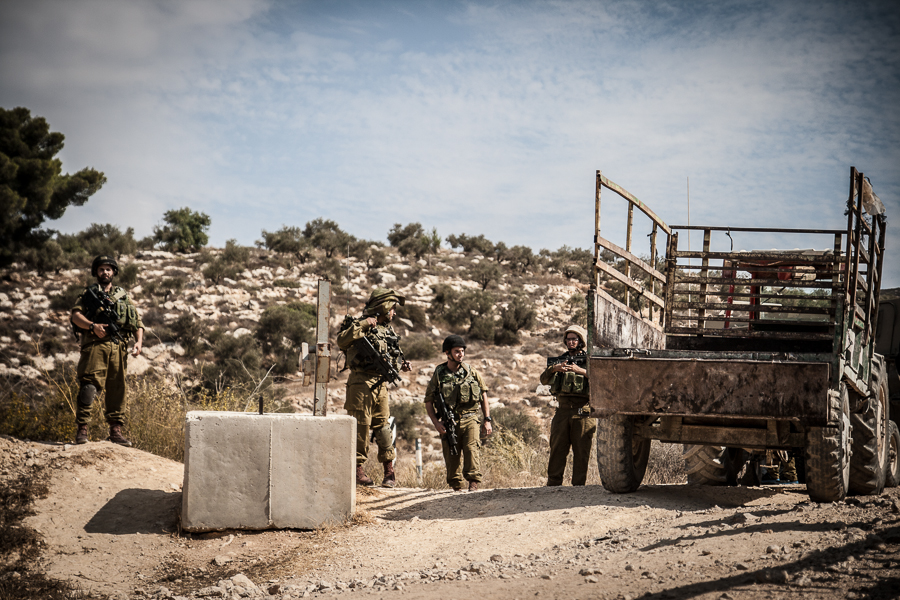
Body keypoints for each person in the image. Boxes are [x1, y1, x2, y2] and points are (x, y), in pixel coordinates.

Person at [337, 288, 411, 488]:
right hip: (361, 383)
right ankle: (358, 471)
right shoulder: (359, 324)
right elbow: (341, 340)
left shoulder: (387, 330)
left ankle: (389, 472)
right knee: (360, 426)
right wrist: (363, 323)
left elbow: (393, 354)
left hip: (381, 384)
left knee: (383, 427)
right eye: (392, 308)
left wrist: (401, 365)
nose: (394, 313)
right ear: (384, 307)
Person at [70, 255, 144, 446]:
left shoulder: (123, 296)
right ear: (96, 272)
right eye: (101, 269)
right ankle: (82, 429)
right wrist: (92, 326)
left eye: (109, 269)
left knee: (117, 388)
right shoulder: (88, 294)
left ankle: (116, 431)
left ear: (114, 273)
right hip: (95, 345)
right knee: (89, 386)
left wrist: (139, 342)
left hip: (118, 348)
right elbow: (76, 316)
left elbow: (137, 322)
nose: (105, 272)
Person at [424, 335, 493, 492]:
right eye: (457, 351)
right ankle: (456, 488)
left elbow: (483, 395)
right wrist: (436, 422)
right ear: (447, 353)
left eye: (462, 351)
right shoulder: (439, 374)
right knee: (451, 454)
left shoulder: (471, 372)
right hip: (449, 421)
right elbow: (428, 401)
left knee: (472, 449)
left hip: (470, 419)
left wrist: (487, 419)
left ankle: (473, 484)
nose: (460, 354)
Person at [540, 324, 596, 486]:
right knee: (557, 449)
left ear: (581, 341)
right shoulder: (560, 360)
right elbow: (543, 380)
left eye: (574, 339)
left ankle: (578, 487)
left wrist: (582, 371)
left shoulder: (589, 361)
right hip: (562, 412)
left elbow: (601, 380)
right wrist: (554, 369)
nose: (571, 342)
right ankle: (553, 484)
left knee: (581, 452)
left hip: (583, 412)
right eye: (568, 339)